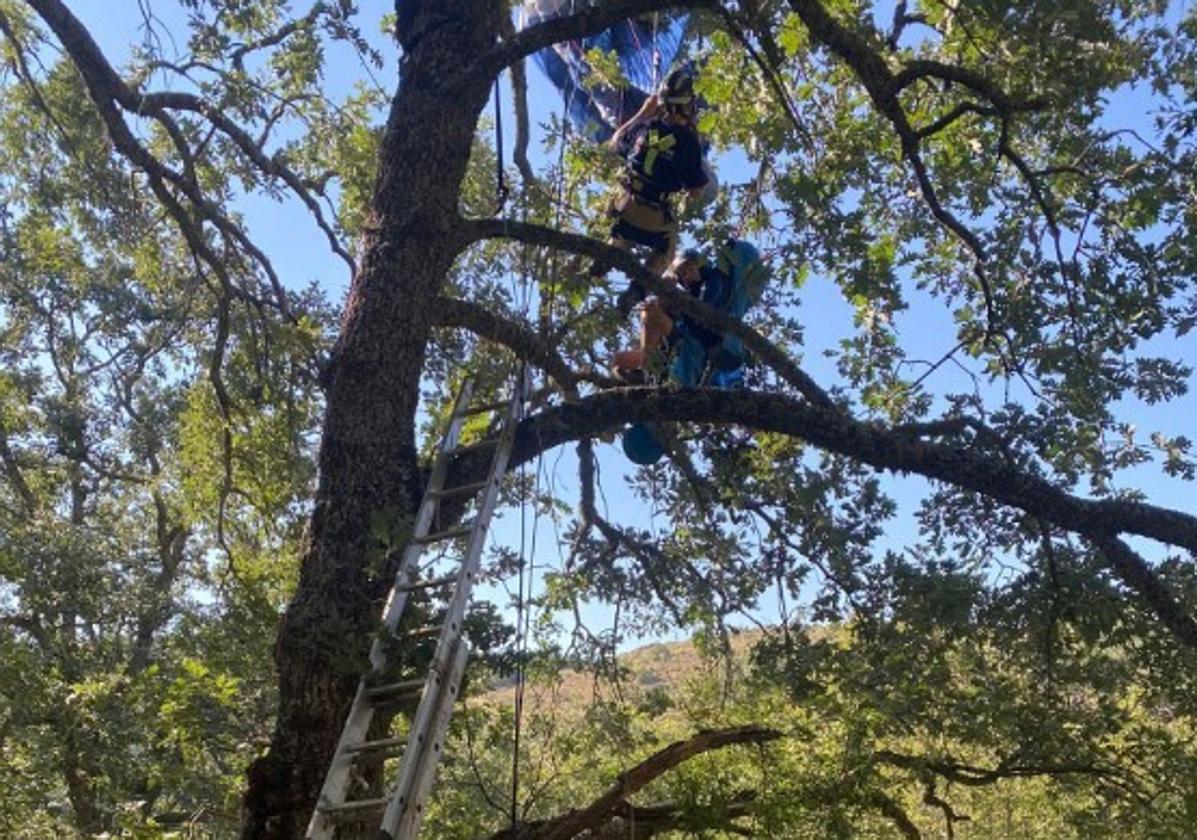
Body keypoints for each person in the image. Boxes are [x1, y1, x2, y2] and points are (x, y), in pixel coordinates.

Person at [614, 239, 770, 466]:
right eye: (683, 273)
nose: (686, 276)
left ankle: (647, 368)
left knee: (650, 316)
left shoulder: (716, 288)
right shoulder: (712, 290)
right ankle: (647, 367)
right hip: (690, 354)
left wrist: (626, 372)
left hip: (685, 352)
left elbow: (621, 360)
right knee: (651, 313)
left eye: (689, 270)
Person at [594, 69, 712, 314]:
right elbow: (697, 190)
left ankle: (609, 255)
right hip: (655, 217)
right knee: (667, 251)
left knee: (622, 232)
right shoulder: (688, 142)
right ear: (688, 106)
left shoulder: (645, 127)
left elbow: (615, 141)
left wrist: (644, 112)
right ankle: (636, 291)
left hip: (625, 206)